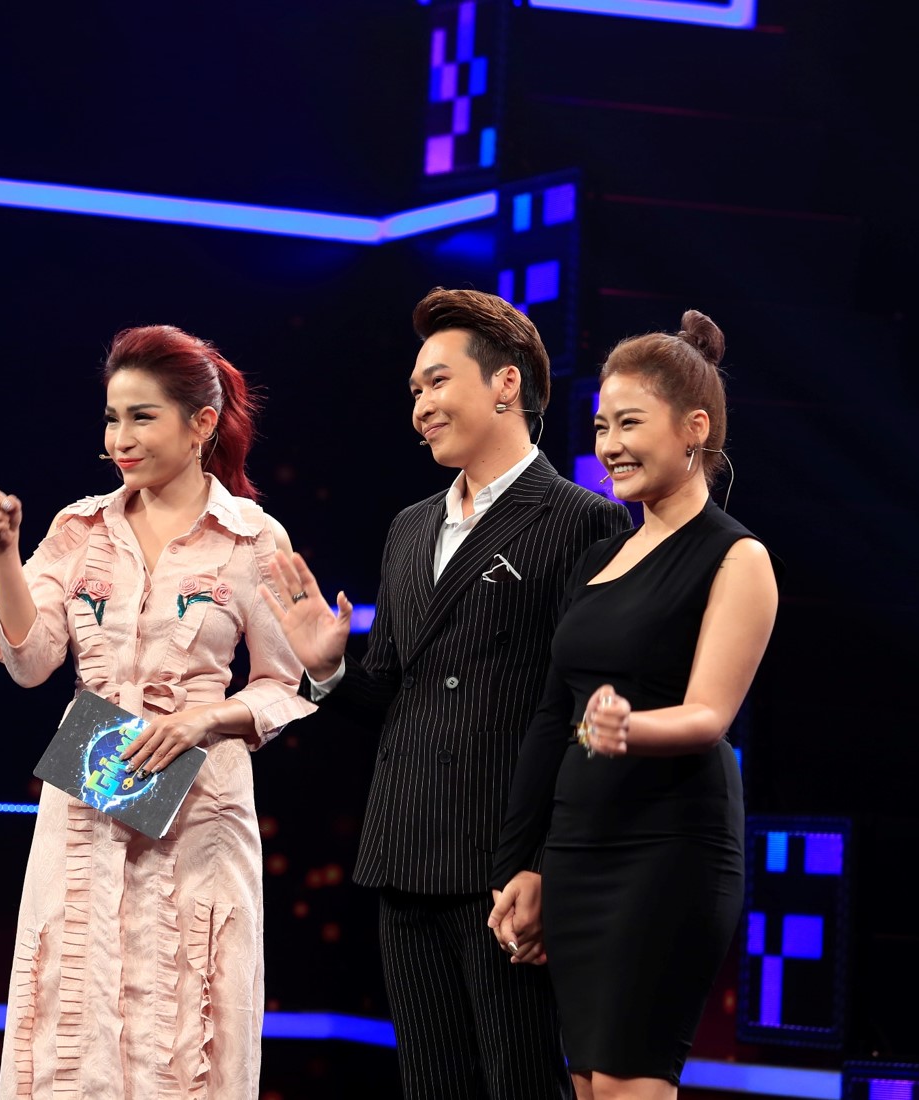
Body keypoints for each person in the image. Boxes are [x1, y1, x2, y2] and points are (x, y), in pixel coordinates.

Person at [263, 288, 632, 1100]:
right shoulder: (409, 528)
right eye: (415, 391)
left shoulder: (584, 522)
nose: (421, 407)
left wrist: (545, 866)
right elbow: (397, 696)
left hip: (505, 866)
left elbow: (590, 719)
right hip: (406, 854)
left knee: (522, 1083)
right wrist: (330, 671)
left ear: (506, 384)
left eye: (437, 383)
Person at [0, 324, 315, 1100]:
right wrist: (5, 552)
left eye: (142, 417)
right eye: (112, 418)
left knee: (186, 1016)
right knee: (72, 1009)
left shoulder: (252, 538)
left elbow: (285, 685)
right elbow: (30, 661)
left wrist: (202, 720)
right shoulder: (78, 529)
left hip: (201, 810)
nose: (119, 438)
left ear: (201, 424)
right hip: (86, 805)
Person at [486, 310, 779, 1100]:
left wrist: (627, 728)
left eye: (629, 423)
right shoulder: (598, 559)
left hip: (667, 850)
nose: (609, 444)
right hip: (578, 849)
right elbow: (551, 722)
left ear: (694, 429)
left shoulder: (737, 556)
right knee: (588, 1084)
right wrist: (522, 864)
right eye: (600, 426)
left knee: (628, 1085)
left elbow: (709, 716)